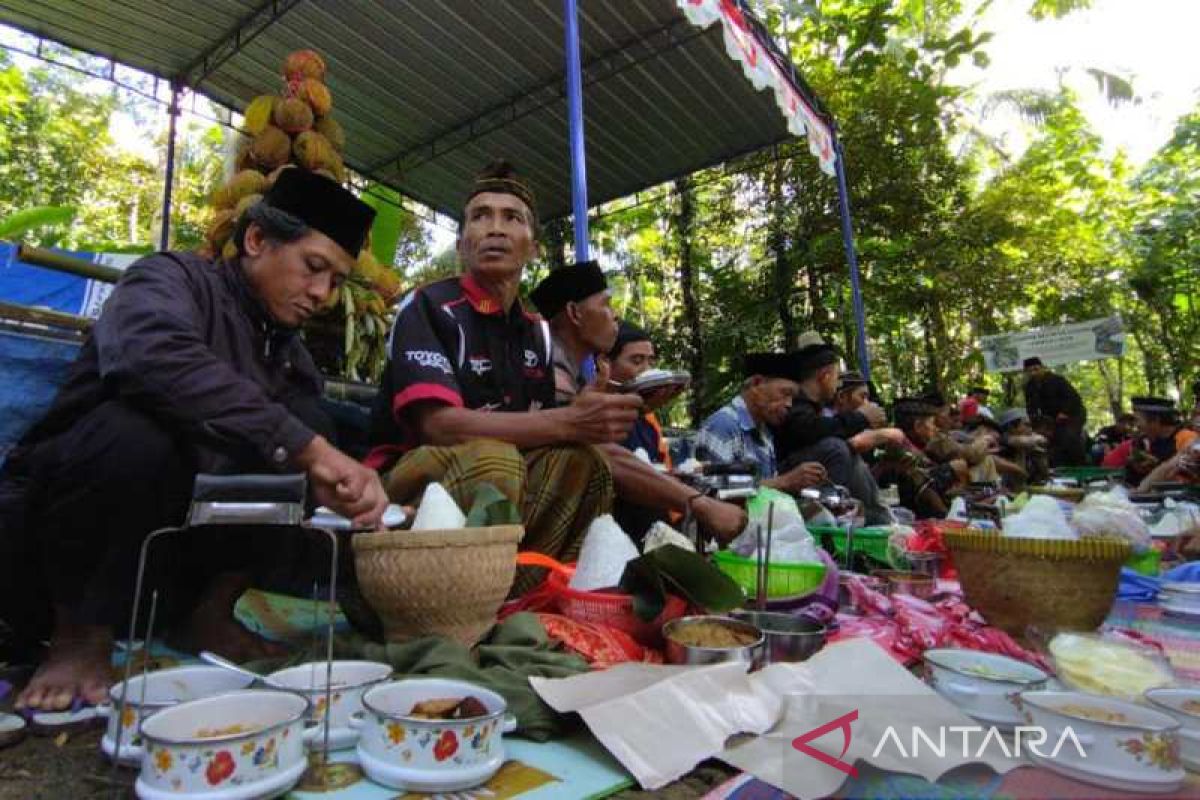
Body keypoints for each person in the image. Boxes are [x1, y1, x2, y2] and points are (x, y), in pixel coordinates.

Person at [0, 169, 389, 711]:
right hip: (58, 549)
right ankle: (79, 637)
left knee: (311, 425)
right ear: (257, 240)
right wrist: (303, 448)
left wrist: (336, 477)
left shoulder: (289, 356)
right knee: (136, 432)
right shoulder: (170, 279)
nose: (322, 294)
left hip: (168, 566)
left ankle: (208, 614)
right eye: (314, 267)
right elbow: (149, 356)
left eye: (337, 281)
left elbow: (299, 444)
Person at [365, 162, 742, 591]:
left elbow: (572, 438)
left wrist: (696, 503)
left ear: (534, 248)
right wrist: (568, 422)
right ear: (461, 243)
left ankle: (526, 591)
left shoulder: (535, 334)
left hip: (492, 493)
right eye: (480, 216)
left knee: (587, 463)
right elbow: (438, 426)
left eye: (512, 218)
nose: (495, 228)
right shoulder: (428, 307)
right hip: (404, 493)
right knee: (497, 459)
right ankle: (444, 593)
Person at [772, 333, 901, 525]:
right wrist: (861, 418)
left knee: (842, 447)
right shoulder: (794, 403)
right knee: (836, 447)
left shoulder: (813, 407)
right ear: (824, 376)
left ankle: (879, 520)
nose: (838, 384)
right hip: (783, 479)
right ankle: (841, 521)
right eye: (836, 376)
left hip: (805, 478)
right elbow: (808, 429)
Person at [695, 352, 827, 495]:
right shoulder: (723, 425)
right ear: (756, 384)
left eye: (792, 398)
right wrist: (784, 481)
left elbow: (768, 493)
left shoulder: (764, 433)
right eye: (785, 393)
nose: (789, 404)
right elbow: (710, 491)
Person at [530, 260, 618, 405]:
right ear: (574, 313)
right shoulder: (551, 375)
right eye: (606, 304)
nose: (615, 315)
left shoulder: (569, 372)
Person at [874, 398, 967, 518]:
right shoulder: (900, 449)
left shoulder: (914, 446)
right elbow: (924, 490)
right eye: (932, 424)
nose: (935, 429)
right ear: (917, 426)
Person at [1102, 397, 1199, 488]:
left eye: (1138, 420)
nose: (1136, 426)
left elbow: (1181, 475)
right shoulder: (1143, 441)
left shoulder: (1186, 438)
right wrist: (1136, 467)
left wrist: (1156, 467)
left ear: (1155, 421)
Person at [1022, 357, 1087, 466]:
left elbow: (1074, 398)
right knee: (1050, 439)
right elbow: (1031, 406)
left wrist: (1064, 412)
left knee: (1068, 436)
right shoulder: (1030, 386)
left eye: (1036, 369)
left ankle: (1080, 466)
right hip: (1052, 418)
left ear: (1042, 368)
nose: (1034, 373)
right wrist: (1033, 422)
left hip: (1073, 414)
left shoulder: (1057, 380)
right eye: (1030, 371)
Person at [997, 408, 1049, 490]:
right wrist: (1035, 440)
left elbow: (1044, 475)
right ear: (1011, 427)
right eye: (1026, 425)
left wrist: (1039, 456)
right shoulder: (1002, 438)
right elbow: (1020, 441)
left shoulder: (1026, 446)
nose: (1030, 429)